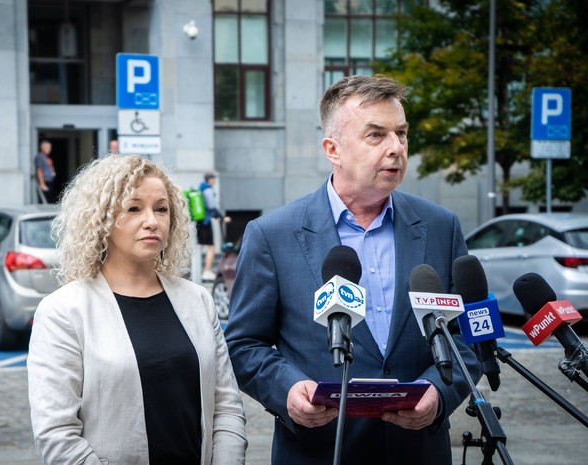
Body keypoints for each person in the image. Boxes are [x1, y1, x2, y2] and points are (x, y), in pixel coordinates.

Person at [224, 75, 481, 464]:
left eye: (401, 133)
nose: (396, 148)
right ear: (333, 149)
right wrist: (288, 390)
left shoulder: (440, 227)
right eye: (376, 135)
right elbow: (244, 345)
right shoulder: (272, 235)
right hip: (319, 449)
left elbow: (470, 335)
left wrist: (438, 392)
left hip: (417, 450)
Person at [27, 154, 247, 465]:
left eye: (161, 209)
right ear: (102, 219)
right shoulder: (64, 311)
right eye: (134, 208)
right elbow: (56, 434)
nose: (152, 221)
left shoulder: (198, 300)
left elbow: (226, 406)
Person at [196, 173, 230, 282]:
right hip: (206, 222)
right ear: (210, 179)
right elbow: (211, 207)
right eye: (214, 179)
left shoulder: (201, 189)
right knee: (211, 246)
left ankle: (196, 269)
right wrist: (222, 217)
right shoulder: (208, 190)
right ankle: (207, 271)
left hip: (199, 221)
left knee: (200, 245)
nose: (214, 181)